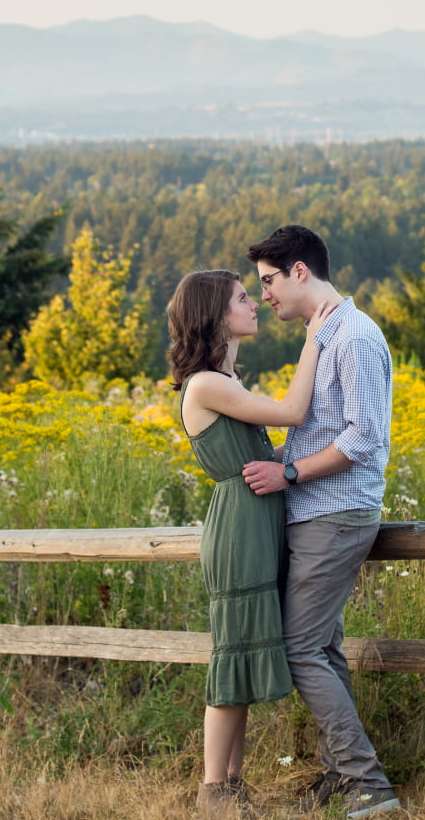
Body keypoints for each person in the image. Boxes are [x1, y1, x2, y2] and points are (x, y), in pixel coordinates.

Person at [242, 225, 401, 818]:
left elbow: (363, 437)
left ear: (300, 271)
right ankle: (345, 774)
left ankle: (369, 785)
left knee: (300, 647)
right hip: (321, 511)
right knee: (323, 648)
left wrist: (288, 473)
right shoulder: (324, 333)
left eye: (269, 281)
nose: (265, 296)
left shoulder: (354, 337)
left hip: (335, 512)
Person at [168, 268, 338, 818]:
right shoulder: (207, 385)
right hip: (239, 531)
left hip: (254, 524)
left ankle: (233, 786)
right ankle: (213, 792)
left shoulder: (226, 380)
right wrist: (315, 335)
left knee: (239, 661)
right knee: (230, 658)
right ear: (217, 314)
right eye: (244, 298)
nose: (255, 304)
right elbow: (292, 412)